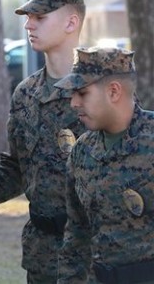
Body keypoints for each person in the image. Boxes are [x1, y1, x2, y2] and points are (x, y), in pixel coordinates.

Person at [0, 0, 88, 283]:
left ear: (71, 22)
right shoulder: (26, 94)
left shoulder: (102, 90)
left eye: (39, 17)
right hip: (42, 256)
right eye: (28, 18)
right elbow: (17, 168)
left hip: (94, 258)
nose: (28, 26)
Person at [54, 47, 154, 284]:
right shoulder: (81, 151)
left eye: (82, 93)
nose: (73, 103)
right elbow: (76, 234)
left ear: (113, 91)